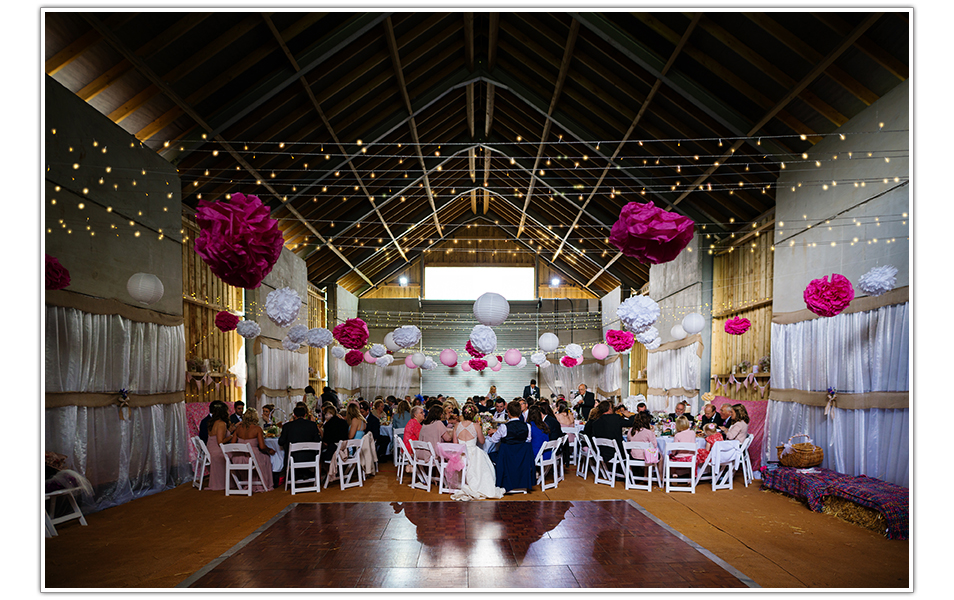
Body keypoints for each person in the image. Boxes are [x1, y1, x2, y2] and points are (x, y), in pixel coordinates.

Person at [450, 404, 505, 501]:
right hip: (472, 453)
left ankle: (462, 483)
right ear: (474, 415)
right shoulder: (476, 425)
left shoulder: (457, 425)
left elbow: (455, 443)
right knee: (484, 460)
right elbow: (482, 441)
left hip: (461, 454)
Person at [226, 408, 275, 492]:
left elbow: (232, 444)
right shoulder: (257, 429)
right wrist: (270, 450)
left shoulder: (238, 429)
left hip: (238, 458)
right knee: (266, 458)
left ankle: (247, 482)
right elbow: (262, 447)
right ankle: (261, 482)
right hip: (252, 457)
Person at [278, 405, 322, 480]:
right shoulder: (312, 425)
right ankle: (305, 473)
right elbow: (317, 441)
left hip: (293, 458)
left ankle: (293, 475)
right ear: (305, 415)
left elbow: (281, 442)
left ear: (294, 415)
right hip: (310, 457)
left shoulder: (287, 426)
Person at [590, 400, 636, 467]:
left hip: (603, 452)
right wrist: (630, 416)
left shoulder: (595, 423)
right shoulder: (615, 418)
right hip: (618, 452)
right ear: (609, 408)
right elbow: (632, 423)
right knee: (633, 450)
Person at [486, 400, 530, 466]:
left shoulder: (504, 427)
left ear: (508, 412)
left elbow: (494, 440)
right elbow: (528, 441)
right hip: (521, 457)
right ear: (520, 413)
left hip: (506, 457)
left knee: (489, 455)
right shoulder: (527, 426)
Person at [204, 402, 231, 491]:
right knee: (237, 455)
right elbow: (220, 442)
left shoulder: (212, 422)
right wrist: (232, 436)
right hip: (217, 451)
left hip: (211, 449)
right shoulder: (221, 424)